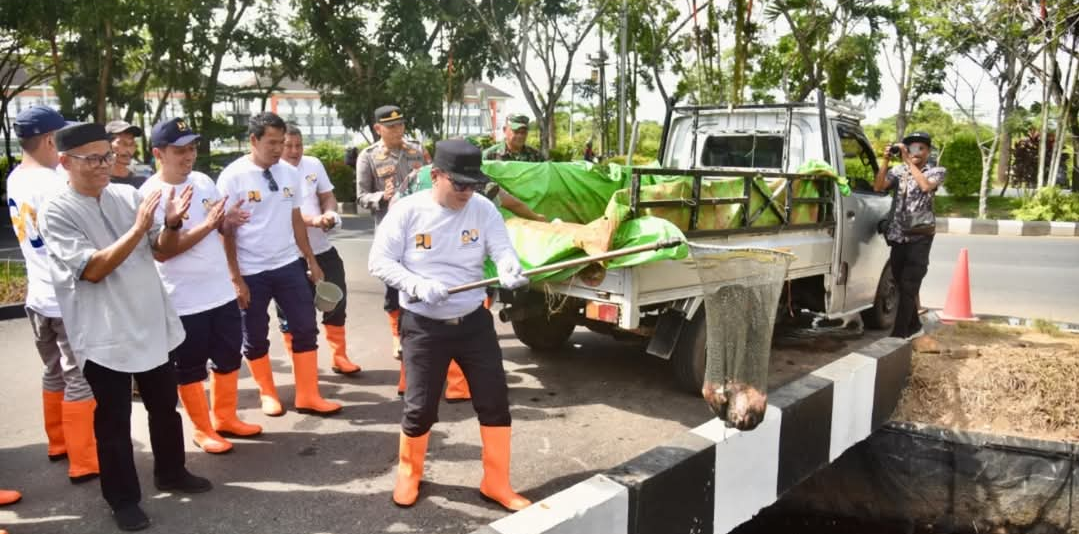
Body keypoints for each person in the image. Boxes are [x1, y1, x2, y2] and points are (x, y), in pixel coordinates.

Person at [37, 122, 212, 531]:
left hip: (149, 321)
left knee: (164, 408)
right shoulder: (58, 210)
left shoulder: (127, 195)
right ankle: (122, 499)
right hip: (103, 333)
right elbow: (92, 269)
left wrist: (169, 225)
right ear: (65, 161)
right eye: (93, 158)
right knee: (113, 423)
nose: (104, 165)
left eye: (108, 156)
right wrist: (138, 229)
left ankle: (171, 471)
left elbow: (163, 253)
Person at [369, 139, 532, 511]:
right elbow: (379, 262)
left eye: (473, 184)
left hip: (473, 321)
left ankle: (496, 481)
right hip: (424, 323)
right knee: (420, 407)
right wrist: (416, 284)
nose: (467, 192)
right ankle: (409, 474)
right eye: (459, 184)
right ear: (436, 176)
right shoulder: (408, 211)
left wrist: (508, 266)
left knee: (494, 402)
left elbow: (501, 248)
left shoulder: (483, 210)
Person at [140, 117, 262, 454]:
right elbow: (163, 253)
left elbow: (217, 225)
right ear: (158, 153)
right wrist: (210, 225)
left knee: (228, 357)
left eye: (192, 148)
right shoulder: (149, 195)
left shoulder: (204, 181)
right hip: (183, 299)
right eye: (179, 150)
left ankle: (225, 418)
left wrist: (226, 222)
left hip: (219, 291)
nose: (188, 156)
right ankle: (202, 428)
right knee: (189, 367)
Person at [217, 112, 341, 417]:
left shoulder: (289, 172)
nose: (278, 149)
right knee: (256, 334)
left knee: (305, 326)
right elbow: (225, 231)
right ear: (254, 140)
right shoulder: (232, 177)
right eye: (271, 143)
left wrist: (311, 260)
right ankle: (267, 393)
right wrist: (235, 278)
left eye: (281, 142)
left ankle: (308, 395)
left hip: (288, 264)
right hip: (250, 270)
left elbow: (296, 219)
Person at [7, 105, 100, 484]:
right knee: (80, 375)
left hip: (36, 296)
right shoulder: (53, 184)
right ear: (49, 140)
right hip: (65, 297)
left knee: (53, 371)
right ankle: (85, 459)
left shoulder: (16, 178)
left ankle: (58, 442)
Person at [355, 105, 471, 400]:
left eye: (400, 125)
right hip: (392, 231)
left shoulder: (418, 151)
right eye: (390, 126)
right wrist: (383, 196)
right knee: (397, 292)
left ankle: (442, 359)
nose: (397, 130)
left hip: (430, 230)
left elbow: (437, 178)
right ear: (377, 128)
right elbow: (360, 197)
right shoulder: (368, 156)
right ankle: (399, 337)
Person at [279, 123, 361, 375]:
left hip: (322, 248)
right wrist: (313, 220)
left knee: (336, 299)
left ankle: (340, 356)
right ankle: (301, 364)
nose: (294, 151)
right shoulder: (273, 173)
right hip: (288, 255)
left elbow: (327, 195)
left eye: (299, 145)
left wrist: (329, 213)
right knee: (293, 314)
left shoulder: (313, 165)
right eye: (288, 145)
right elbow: (285, 213)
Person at [874, 131, 946, 349]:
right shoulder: (898, 171)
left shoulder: (937, 171)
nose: (915, 152)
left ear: (927, 151)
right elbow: (878, 187)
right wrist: (886, 161)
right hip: (898, 235)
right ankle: (914, 326)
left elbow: (925, 186)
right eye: (911, 148)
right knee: (899, 280)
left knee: (909, 283)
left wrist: (908, 161)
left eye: (920, 148)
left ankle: (899, 333)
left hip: (920, 236)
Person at [106, 120, 149, 189]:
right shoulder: (100, 182)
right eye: (123, 143)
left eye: (131, 144)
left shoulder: (143, 177)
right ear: (107, 145)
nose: (128, 149)